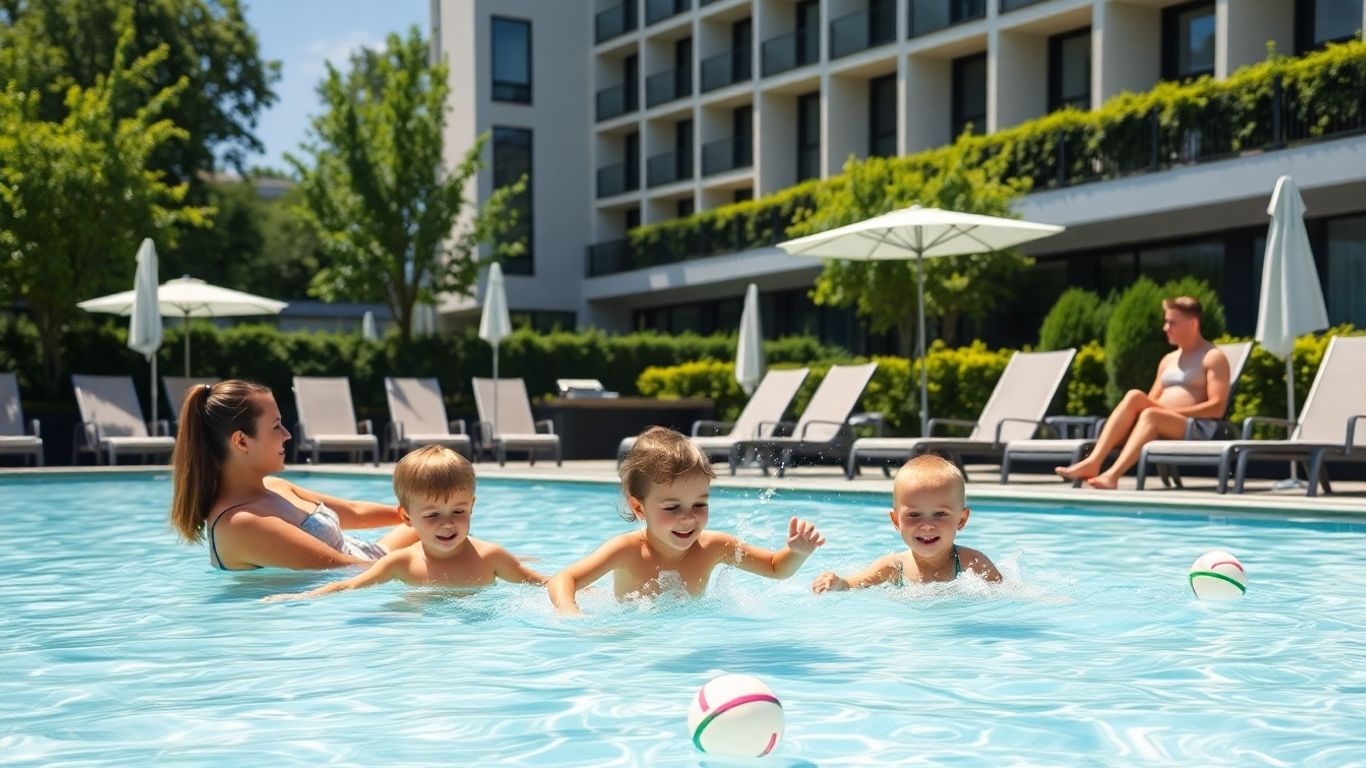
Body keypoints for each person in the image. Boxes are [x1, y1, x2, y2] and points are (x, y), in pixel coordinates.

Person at [547, 426, 826, 615]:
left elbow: (776, 568)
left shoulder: (715, 546)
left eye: (699, 504)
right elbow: (564, 579)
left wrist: (797, 552)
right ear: (639, 508)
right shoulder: (626, 551)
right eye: (672, 507)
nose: (688, 517)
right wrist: (572, 615)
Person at [170, 380, 419, 570]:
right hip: (364, 576)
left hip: (373, 559)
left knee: (439, 515)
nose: (287, 435)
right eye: (276, 426)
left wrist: (419, 515)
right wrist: (430, 556)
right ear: (242, 441)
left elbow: (356, 513)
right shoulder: (240, 524)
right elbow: (343, 569)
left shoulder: (275, 486)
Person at [263, 445, 546, 601]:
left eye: (458, 511)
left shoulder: (491, 558)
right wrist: (301, 597)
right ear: (407, 517)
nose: (447, 523)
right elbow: (349, 587)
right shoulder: (401, 563)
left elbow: (541, 583)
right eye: (432, 515)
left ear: (472, 506)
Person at [1055, 296, 1232, 489]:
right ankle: (1093, 461)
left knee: (1150, 414)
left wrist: (1172, 413)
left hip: (1194, 427)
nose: (1165, 328)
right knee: (1135, 397)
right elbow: (1151, 400)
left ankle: (1112, 475)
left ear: (1193, 323)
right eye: (1166, 321)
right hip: (1162, 419)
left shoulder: (1213, 357)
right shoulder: (1168, 360)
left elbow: (1217, 408)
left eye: (1172, 322)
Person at [812, 454, 1001, 592]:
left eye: (940, 514)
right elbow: (850, 585)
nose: (927, 525)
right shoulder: (893, 566)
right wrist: (836, 582)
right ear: (896, 521)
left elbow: (1005, 594)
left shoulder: (972, 562)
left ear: (961, 519)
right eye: (914, 515)